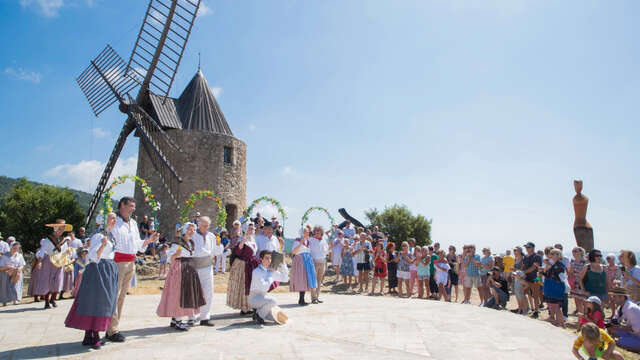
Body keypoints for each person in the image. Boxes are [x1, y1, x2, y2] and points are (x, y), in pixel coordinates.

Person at [106, 197, 159, 343]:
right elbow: (107, 233)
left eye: (134, 206)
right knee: (114, 295)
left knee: (122, 296)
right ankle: (112, 330)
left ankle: (112, 327)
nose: (133, 208)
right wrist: (109, 221)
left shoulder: (134, 223)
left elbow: (137, 244)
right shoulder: (114, 220)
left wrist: (149, 240)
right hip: (117, 262)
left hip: (131, 261)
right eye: (130, 206)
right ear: (122, 205)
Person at [64, 213, 119, 350]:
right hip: (98, 269)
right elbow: (93, 256)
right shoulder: (99, 236)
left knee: (104, 301)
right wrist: (102, 246)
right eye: (111, 218)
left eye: (114, 218)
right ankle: (93, 333)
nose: (114, 221)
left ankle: (90, 334)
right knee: (97, 301)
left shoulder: (110, 235)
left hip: (108, 268)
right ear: (104, 221)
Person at [156, 223, 206, 331]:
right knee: (179, 293)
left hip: (189, 267)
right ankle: (178, 320)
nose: (191, 232)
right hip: (179, 267)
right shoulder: (177, 242)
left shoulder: (191, 242)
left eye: (193, 230)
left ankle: (176, 318)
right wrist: (175, 255)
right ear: (184, 230)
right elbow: (170, 258)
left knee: (187, 293)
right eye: (189, 229)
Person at [190, 216, 223, 326]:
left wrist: (219, 245)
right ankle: (191, 317)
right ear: (198, 224)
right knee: (193, 292)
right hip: (194, 266)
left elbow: (216, 251)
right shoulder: (193, 235)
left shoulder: (212, 236)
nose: (205, 227)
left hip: (207, 266)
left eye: (207, 225)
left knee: (208, 292)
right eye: (203, 225)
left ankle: (205, 317)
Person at [36, 219, 73, 309]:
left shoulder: (63, 240)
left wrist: (68, 253)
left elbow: (65, 252)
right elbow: (42, 251)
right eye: (60, 228)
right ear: (55, 228)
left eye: (63, 228)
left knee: (58, 281)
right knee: (48, 282)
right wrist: (39, 262)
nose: (62, 230)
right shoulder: (47, 240)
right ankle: (47, 301)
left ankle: (53, 298)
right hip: (49, 261)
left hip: (60, 261)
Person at [249, 250, 289, 325]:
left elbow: (285, 279)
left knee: (279, 317)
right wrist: (270, 274)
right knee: (273, 301)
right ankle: (259, 316)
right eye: (266, 258)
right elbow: (264, 287)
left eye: (270, 258)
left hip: (264, 299)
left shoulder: (270, 270)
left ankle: (258, 313)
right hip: (254, 299)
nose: (269, 260)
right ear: (261, 259)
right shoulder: (256, 272)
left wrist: (283, 264)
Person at [227, 222, 259, 315]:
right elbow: (238, 251)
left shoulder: (253, 239)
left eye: (253, 229)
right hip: (243, 264)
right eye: (249, 229)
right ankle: (244, 307)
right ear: (245, 229)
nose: (251, 230)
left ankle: (250, 306)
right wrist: (243, 241)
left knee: (251, 285)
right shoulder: (242, 238)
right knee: (243, 285)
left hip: (252, 263)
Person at [609, 286, 640, 352]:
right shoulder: (621, 307)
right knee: (611, 331)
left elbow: (637, 329)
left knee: (616, 341)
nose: (612, 299)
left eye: (614, 297)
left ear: (622, 297)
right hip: (632, 333)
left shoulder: (631, 309)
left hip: (638, 336)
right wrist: (611, 324)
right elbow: (615, 319)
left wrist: (620, 327)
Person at [543, 248, 567, 328]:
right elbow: (548, 275)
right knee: (553, 305)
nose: (551, 255)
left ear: (558, 255)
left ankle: (561, 324)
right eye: (551, 254)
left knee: (556, 306)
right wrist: (542, 271)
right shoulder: (553, 264)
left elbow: (559, 276)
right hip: (551, 287)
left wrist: (550, 265)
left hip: (556, 288)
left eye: (553, 254)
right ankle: (558, 322)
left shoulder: (559, 265)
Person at [522, 242, 543, 318]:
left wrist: (523, 272)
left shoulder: (537, 256)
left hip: (535, 278)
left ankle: (536, 311)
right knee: (524, 293)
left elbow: (534, 268)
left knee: (535, 295)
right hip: (527, 278)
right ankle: (527, 308)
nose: (527, 249)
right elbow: (524, 266)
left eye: (528, 247)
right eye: (526, 247)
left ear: (533, 248)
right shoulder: (526, 256)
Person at [309, 226, 328, 303]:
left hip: (322, 261)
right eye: (316, 231)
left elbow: (326, 251)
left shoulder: (324, 240)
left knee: (319, 281)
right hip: (314, 261)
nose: (317, 232)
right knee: (314, 281)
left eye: (318, 231)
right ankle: (313, 298)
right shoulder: (311, 240)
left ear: (321, 232)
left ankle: (317, 297)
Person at [570, 247, 588, 315]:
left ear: (581, 252)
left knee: (584, 301)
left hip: (582, 284)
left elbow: (585, 273)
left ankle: (586, 316)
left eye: (575, 251)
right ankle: (581, 316)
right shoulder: (572, 261)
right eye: (573, 251)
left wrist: (575, 271)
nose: (574, 253)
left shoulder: (585, 262)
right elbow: (570, 273)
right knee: (577, 301)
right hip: (574, 283)